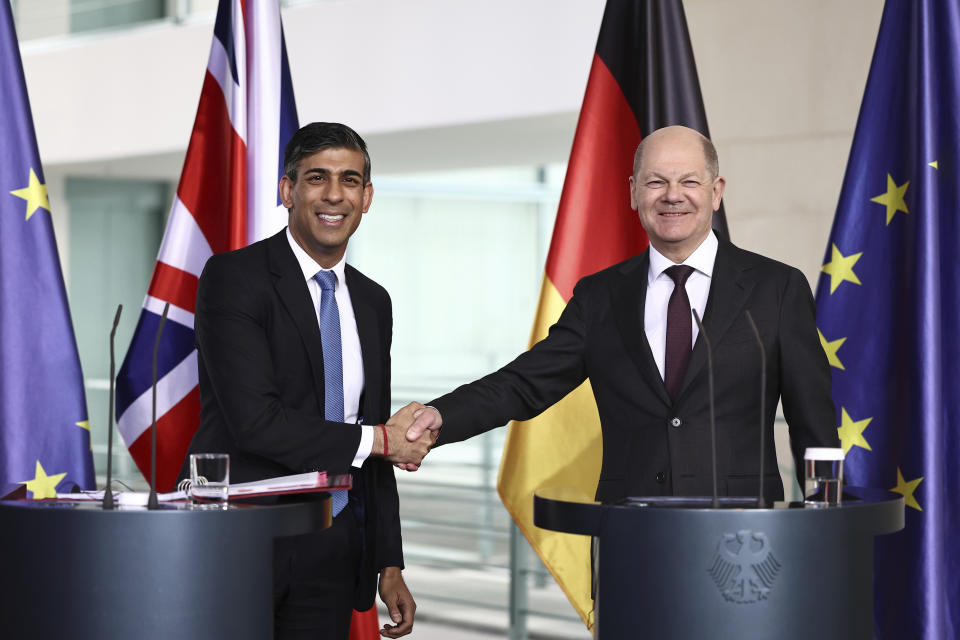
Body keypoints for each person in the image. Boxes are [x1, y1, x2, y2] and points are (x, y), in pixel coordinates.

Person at [402, 125, 839, 504]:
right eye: (655, 182)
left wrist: (828, 518)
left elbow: (813, 422)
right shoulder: (600, 296)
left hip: (745, 539)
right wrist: (439, 416)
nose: (672, 195)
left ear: (716, 191)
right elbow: (525, 383)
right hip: (628, 535)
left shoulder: (776, 288)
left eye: (689, 181)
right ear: (633, 191)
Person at [183, 122, 432, 639]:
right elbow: (257, 422)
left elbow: (371, 430)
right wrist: (382, 440)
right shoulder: (234, 278)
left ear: (367, 197)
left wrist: (389, 561)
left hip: (336, 542)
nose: (334, 195)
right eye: (317, 177)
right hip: (245, 539)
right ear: (287, 190)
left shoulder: (373, 300)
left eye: (350, 180)